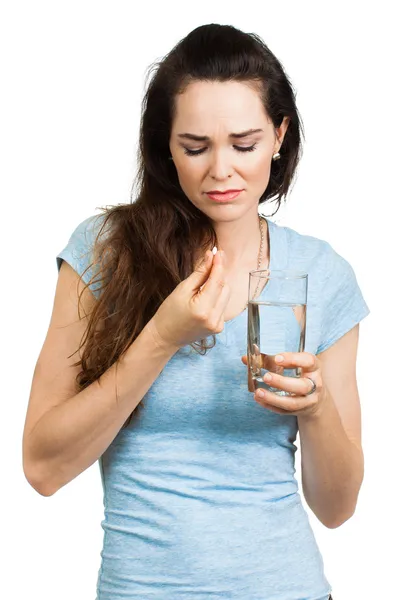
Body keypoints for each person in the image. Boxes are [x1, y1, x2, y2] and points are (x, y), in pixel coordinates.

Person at [22, 23, 369, 600]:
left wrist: (315, 407)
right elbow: (43, 468)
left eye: (245, 142)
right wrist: (161, 336)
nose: (221, 170)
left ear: (280, 135)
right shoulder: (106, 251)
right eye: (195, 147)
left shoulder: (320, 272)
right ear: (165, 145)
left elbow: (338, 508)